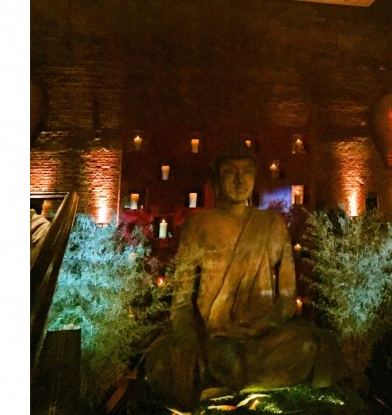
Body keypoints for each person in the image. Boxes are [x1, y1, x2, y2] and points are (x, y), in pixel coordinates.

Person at [143, 140, 336, 411]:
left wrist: (267, 322)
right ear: (217, 179)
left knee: (310, 345)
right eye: (230, 172)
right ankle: (246, 380)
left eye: (246, 171)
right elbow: (182, 300)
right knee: (169, 360)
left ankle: (231, 382)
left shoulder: (271, 224)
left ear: (254, 176)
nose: (239, 180)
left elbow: (287, 296)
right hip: (216, 338)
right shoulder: (198, 227)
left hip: (264, 338)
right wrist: (187, 335)